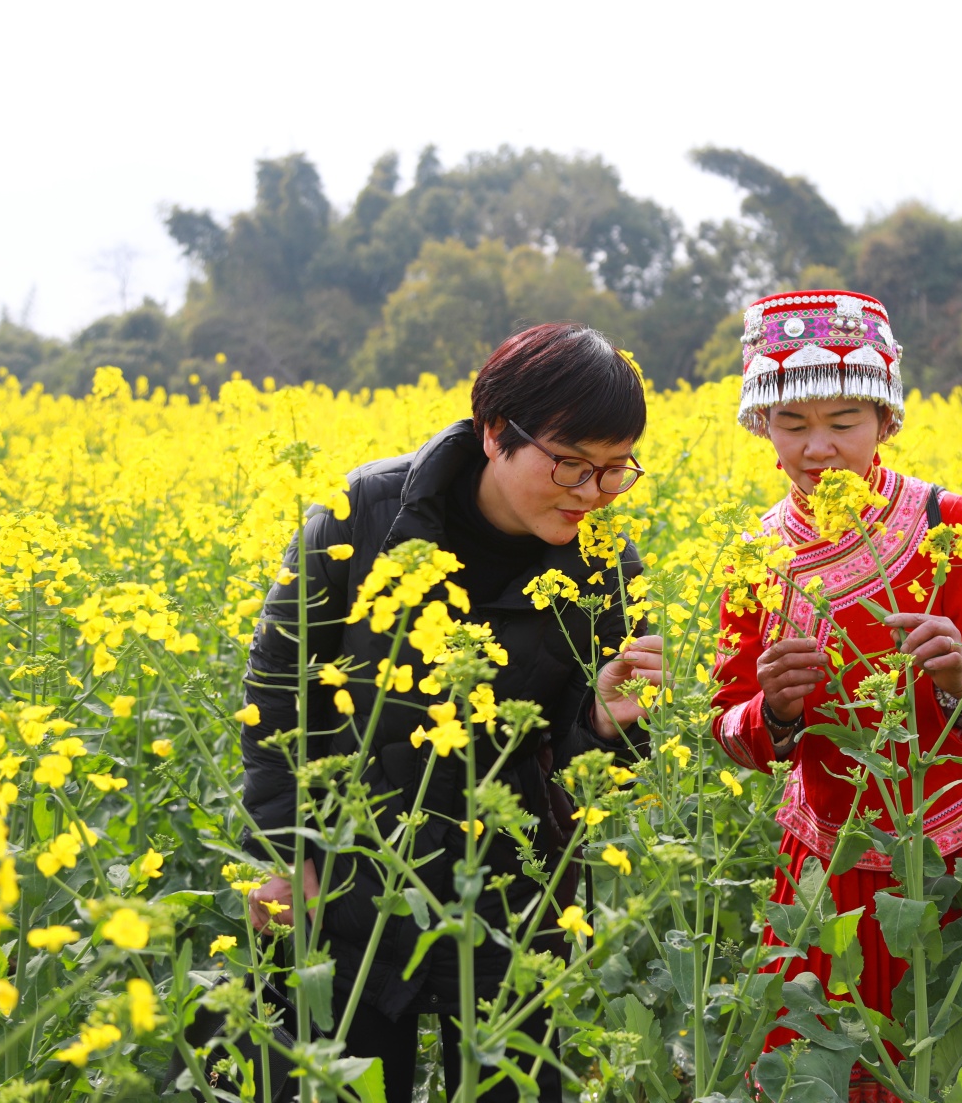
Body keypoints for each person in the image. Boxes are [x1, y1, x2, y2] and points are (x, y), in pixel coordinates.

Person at [239, 323, 662, 1103]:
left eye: (613, 471)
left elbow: (580, 773)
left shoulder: (608, 566)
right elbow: (275, 695)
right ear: (496, 432)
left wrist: (610, 728)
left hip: (512, 894)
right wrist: (279, 847)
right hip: (347, 879)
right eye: (571, 464)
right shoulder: (360, 513)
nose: (590, 494)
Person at [709, 290, 962, 1103]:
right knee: (813, 1073)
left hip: (957, 855)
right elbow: (726, 722)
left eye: (844, 421)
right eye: (793, 425)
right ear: (763, 428)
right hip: (828, 861)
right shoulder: (755, 553)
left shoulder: (943, 521)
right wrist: (773, 712)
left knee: (956, 1065)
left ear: (887, 420)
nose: (817, 448)